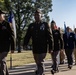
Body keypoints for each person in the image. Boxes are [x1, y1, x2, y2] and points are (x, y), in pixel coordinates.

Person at [23, 9, 53, 75]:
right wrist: (25, 44)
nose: (36, 16)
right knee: (37, 61)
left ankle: (40, 73)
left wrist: (51, 48)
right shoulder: (31, 26)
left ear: (41, 16)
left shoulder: (45, 25)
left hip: (43, 47)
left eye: (38, 15)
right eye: (35, 15)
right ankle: (41, 71)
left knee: (40, 61)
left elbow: (50, 37)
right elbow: (27, 35)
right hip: (35, 47)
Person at [0, 10, 15, 75]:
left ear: (3, 16)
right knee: (2, 62)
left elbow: (12, 36)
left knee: (2, 61)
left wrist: (12, 47)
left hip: (5, 46)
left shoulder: (7, 24)